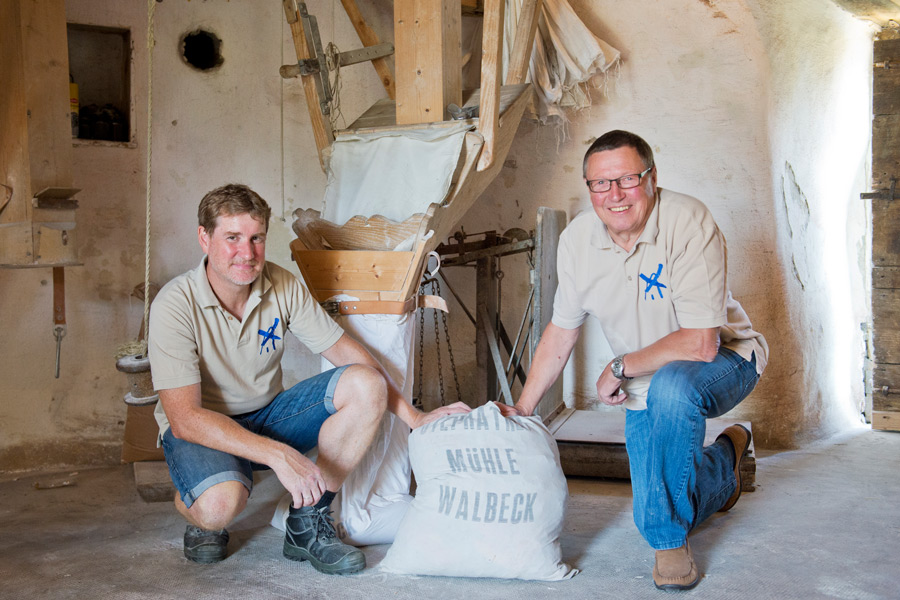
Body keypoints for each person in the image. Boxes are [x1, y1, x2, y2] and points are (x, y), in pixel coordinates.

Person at [148, 183, 468, 573]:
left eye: (256, 238)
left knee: (366, 383)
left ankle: (308, 520)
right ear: (205, 237)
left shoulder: (280, 284)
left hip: (266, 415)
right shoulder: (174, 305)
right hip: (203, 428)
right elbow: (185, 418)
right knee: (219, 507)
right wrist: (278, 455)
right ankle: (198, 500)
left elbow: (348, 353)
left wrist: (413, 418)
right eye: (232, 238)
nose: (246, 254)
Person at [498, 130, 768, 590]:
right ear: (589, 188)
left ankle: (669, 545)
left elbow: (702, 344)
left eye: (626, 179)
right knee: (651, 502)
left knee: (673, 397)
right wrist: (524, 409)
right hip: (646, 382)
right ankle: (727, 459)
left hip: (727, 360)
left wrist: (619, 366)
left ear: (651, 178)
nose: (614, 195)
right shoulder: (578, 240)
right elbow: (562, 330)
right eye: (600, 184)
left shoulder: (687, 221)